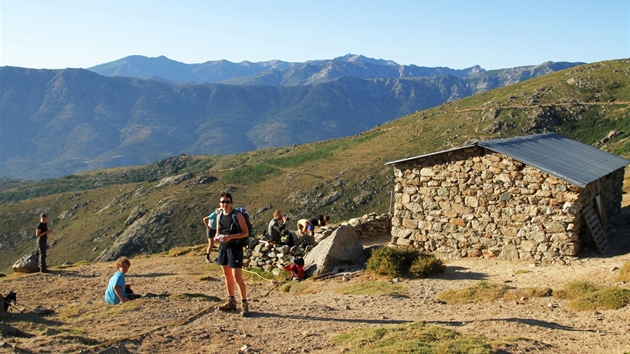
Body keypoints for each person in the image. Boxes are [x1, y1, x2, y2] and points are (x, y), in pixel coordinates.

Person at [214, 192, 250, 316]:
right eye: (223, 202)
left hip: (235, 248)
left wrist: (230, 237)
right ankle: (231, 301)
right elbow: (218, 230)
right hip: (223, 248)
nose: (225, 204)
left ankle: (244, 304)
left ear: (231, 203)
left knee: (237, 277)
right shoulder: (219, 215)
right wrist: (216, 237)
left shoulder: (237, 215)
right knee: (226, 275)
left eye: (227, 201)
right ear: (219, 203)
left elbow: (245, 232)